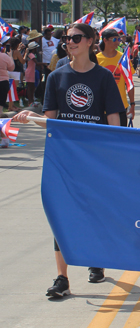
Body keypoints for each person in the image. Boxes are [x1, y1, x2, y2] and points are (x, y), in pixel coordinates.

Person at [12, 23, 125, 298]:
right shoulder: (56, 77)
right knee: (60, 215)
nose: (69, 42)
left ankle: (96, 260)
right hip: (63, 158)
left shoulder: (103, 77)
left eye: (75, 38)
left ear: (90, 41)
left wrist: (114, 155)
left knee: (94, 212)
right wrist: (30, 116)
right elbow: (51, 122)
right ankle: (62, 278)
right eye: (66, 38)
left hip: (95, 159)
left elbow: (114, 120)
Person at [96, 28, 135, 127]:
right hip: (99, 106)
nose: (117, 42)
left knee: (119, 139)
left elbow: (129, 83)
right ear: (104, 40)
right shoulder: (96, 59)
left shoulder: (123, 59)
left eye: (118, 39)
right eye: (114, 39)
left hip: (120, 106)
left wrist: (132, 104)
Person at [0, 40, 15, 119]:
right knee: (2, 96)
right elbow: (11, 68)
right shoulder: (4, 56)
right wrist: (11, 57)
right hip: (3, 80)